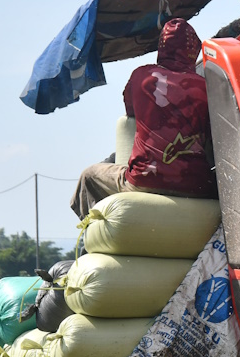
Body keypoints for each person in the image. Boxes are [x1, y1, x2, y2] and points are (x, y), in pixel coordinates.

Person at [69, 18, 216, 219]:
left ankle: (91, 234)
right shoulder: (206, 88)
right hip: (198, 185)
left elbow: (130, 111)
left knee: (89, 175)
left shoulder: (141, 76)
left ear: (161, 48)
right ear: (193, 51)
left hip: (144, 180)